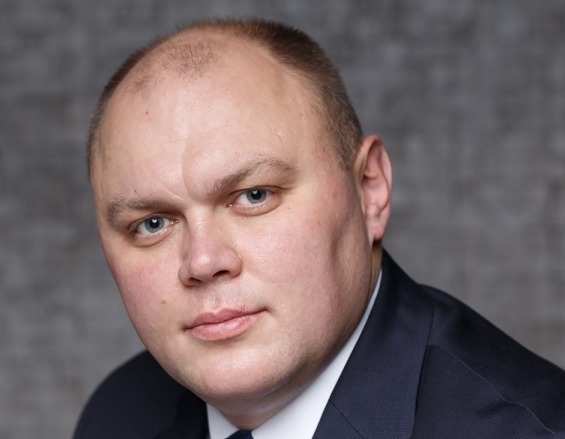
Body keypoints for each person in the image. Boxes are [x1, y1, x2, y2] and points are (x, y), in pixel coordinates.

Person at [74, 18, 565, 439]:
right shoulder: (118, 415)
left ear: (370, 189)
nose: (203, 261)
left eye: (254, 195)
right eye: (153, 223)